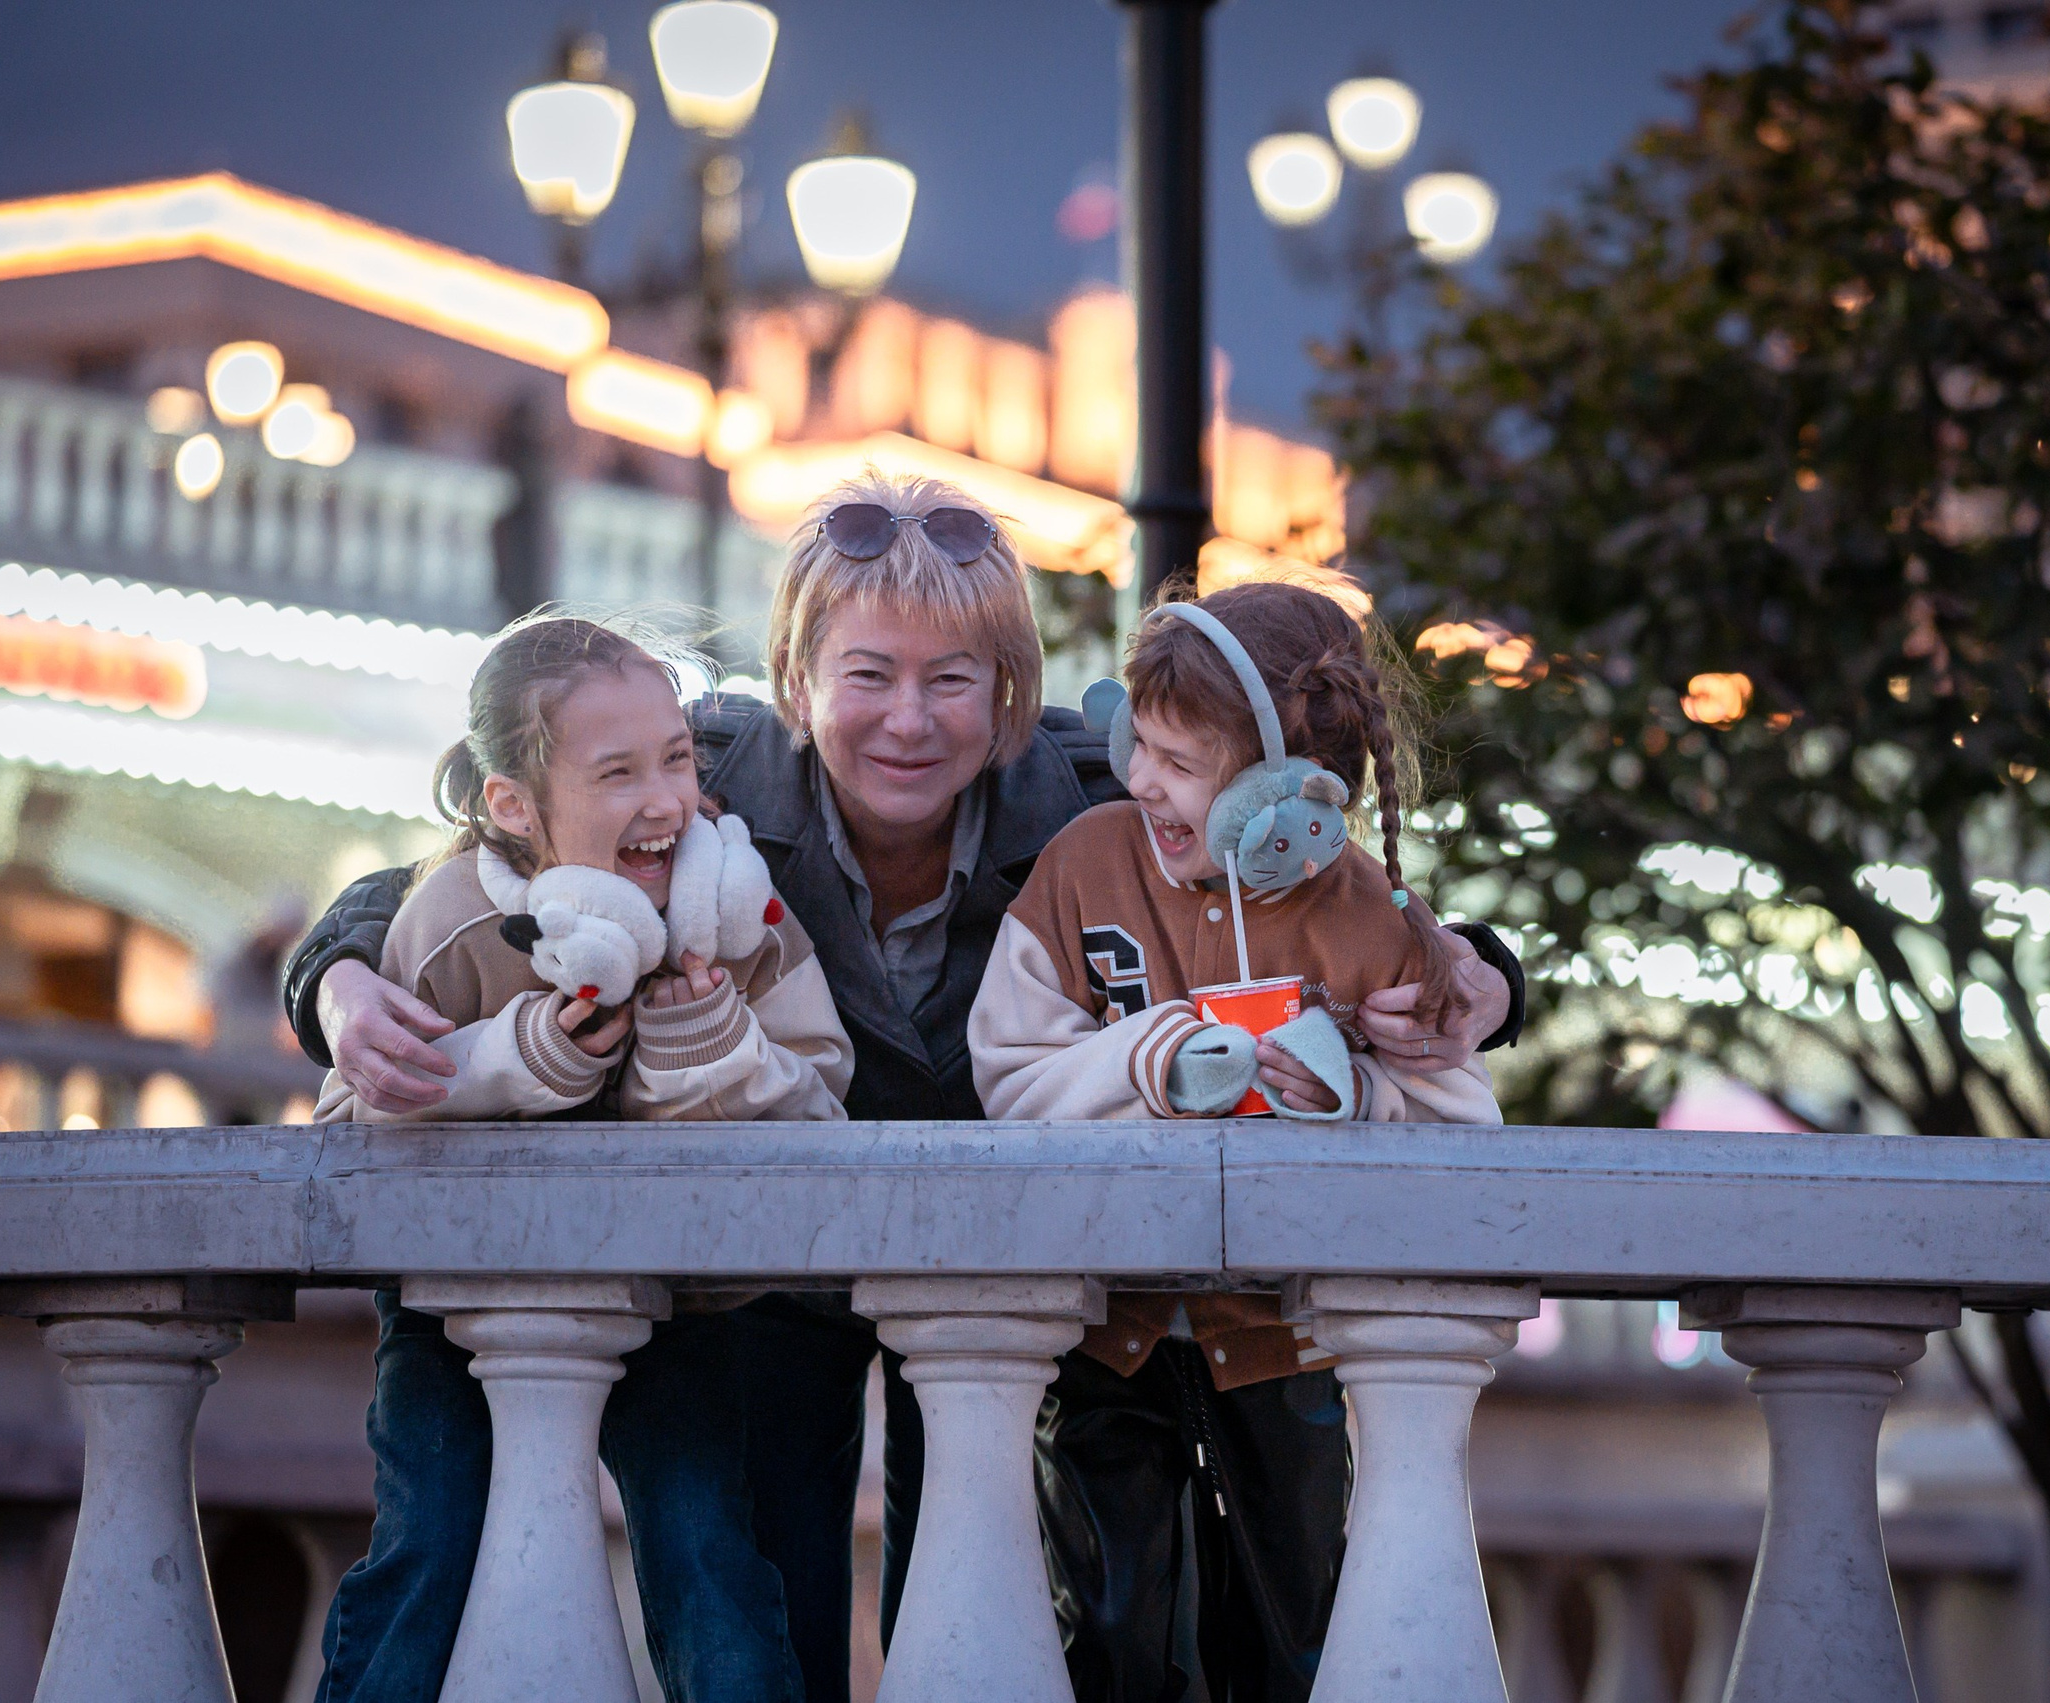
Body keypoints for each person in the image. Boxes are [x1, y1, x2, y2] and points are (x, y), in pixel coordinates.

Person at [281, 472, 1527, 1703]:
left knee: (971, 1584)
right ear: (798, 679)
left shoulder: (1105, 784)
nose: (908, 720)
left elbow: (1313, 862)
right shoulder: (701, 762)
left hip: (986, 1270)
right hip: (766, 1268)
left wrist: (1488, 975)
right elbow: (484, 860)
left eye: (951, 679)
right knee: (766, 1605)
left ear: (1007, 695)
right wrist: (335, 980)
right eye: (868, 675)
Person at [970, 581, 1499, 1702]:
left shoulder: (1372, 914)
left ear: (1280, 792)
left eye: (1178, 759)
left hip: (1279, 1353)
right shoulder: (1084, 863)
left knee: (1289, 1631)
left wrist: (1356, 1093)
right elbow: (1007, 1071)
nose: (1142, 779)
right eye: (1139, 744)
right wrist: (1141, 1064)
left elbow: (1466, 1129)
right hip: (1101, 1341)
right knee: (1112, 1636)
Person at [310, 613, 851, 1703]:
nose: (665, 799)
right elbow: (343, 1137)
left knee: (710, 1555)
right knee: (425, 1548)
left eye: (677, 758)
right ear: (512, 804)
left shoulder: (734, 909)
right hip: (448, 1312)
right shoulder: (451, 919)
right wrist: (521, 1057)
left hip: (675, 1297)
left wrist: (712, 1053)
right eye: (617, 772)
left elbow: (821, 1097)